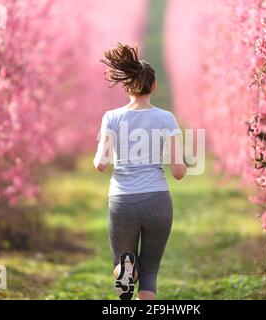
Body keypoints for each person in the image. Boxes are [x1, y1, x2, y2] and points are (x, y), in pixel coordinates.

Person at [93, 43, 186, 300]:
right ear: (153, 86)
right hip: (157, 199)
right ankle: (135, 278)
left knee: (125, 264)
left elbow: (101, 164)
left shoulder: (111, 117)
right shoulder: (166, 118)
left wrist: (99, 151)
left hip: (122, 200)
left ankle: (125, 272)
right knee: (150, 272)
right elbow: (178, 172)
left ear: (127, 85)